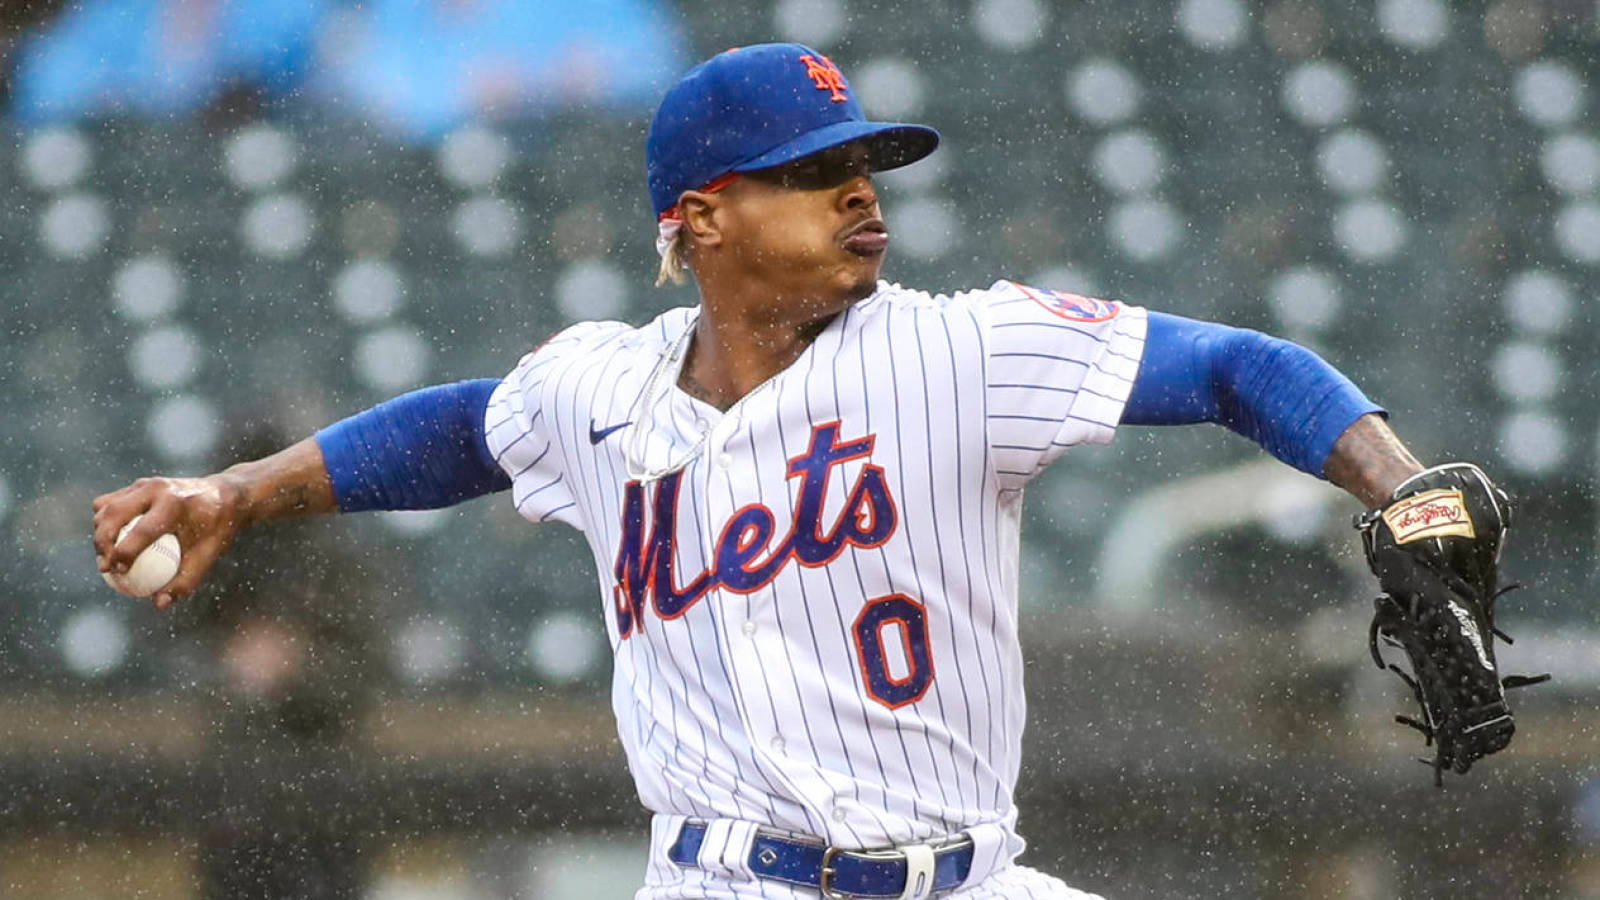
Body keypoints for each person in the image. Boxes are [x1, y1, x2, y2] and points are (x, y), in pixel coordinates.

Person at [95, 43, 1445, 899]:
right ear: (703, 216)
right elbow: (458, 431)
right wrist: (236, 491)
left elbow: (1238, 368)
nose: (863, 194)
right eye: (816, 174)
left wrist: (1402, 486)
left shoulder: (960, 351)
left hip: (969, 880)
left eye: (866, 165)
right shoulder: (598, 388)